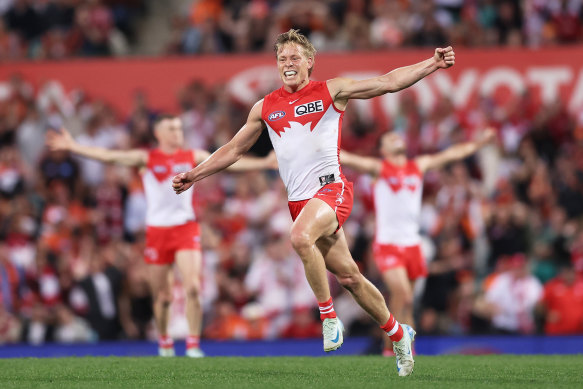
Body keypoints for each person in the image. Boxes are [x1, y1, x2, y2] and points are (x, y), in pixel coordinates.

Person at [172, 29, 455, 376]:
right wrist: (194, 175)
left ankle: (328, 318)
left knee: (299, 237)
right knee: (351, 277)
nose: (287, 64)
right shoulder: (264, 107)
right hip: (300, 203)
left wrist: (432, 63)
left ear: (309, 62)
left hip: (332, 191)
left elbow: (387, 82)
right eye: (281, 59)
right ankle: (399, 333)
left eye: (294, 58)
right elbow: (233, 149)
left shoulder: (331, 90)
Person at [47, 114, 274, 357]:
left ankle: (193, 344)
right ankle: (165, 341)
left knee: (193, 287)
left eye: (178, 128)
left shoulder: (192, 156)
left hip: (185, 227)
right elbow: (110, 156)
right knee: (163, 295)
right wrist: (73, 146)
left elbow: (230, 160)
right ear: (159, 134)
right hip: (157, 231)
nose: (177, 133)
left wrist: (264, 163)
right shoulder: (146, 158)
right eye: (171, 129)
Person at [340, 128, 496, 354]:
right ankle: (389, 348)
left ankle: (408, 351)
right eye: (388, 138)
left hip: (413, 244)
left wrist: (478, 143)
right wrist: (314, 144)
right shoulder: (380, 168)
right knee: (401, 294)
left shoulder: (418, 165)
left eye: (397, 136)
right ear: (383, 149)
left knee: (409, 302)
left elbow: (452, 154)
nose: (395, 137)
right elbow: (347, 158)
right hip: (388, 244)